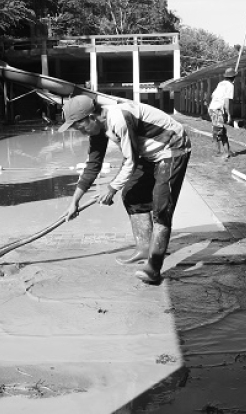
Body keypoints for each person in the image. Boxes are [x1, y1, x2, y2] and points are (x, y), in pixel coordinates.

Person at [58, 95, 191, 285]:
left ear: (92, 117)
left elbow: (131, 160)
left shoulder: (119, 118)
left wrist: (111, 188)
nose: (79, 131)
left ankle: (153, 268)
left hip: (172, 148)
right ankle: (144, 248)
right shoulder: (97, 128)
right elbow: (92, 165)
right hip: (148, 152)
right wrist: (74, 202)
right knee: (132, 195)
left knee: (162, 206)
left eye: (79, 126)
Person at [208, 67, 238, 158]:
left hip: (212, 108)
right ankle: (221, 153)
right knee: (219, 132)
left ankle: (227, 151)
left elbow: (212, 95)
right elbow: (226, 101)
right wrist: (229, 114)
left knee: (221, 130)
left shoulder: (221, 83)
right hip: (217, 110)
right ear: (233, 78)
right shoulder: (230, 86)